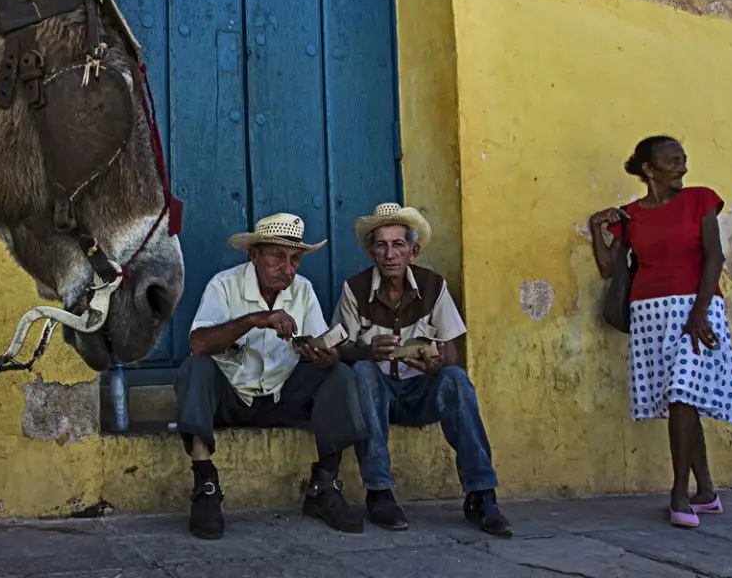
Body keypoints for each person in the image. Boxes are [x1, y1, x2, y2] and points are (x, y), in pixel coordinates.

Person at [174, 212, 367, 540]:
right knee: (195, 368)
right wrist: (254, 319)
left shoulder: (303, 291)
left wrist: (324, 355)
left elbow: (323, 344)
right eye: (278, 257)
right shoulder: (225, 285)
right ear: (254, 254)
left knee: (339, 375)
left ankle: (324, 484)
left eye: (295, 260)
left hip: (282, 397)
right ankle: (205, 484)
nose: (288, 269)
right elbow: (198, 343)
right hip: (232, 397)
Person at [333, 203, 512, 537]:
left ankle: (481, 495)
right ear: (371, 251)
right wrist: (368, 351)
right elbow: (337, 349)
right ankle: (379, 492)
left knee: (456, 379)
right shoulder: (354, 290)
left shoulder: (434, 287)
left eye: (398, 244)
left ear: (412, 252)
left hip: (421, 392)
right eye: (381, 245)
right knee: (362, 372)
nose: (390, 254)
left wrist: (438, 361)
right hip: (378, 394)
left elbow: (453, 350)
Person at [589, 135, 732, 529]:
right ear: (649, 170)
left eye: (683, 160)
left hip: (697, 308)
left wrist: (700, 312)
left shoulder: (701, 200)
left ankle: (677, 493)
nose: (682, 168)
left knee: (682, 393)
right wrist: (595, 228)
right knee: (680, 400)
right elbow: (608, 269)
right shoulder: (631, 216)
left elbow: (714, 256)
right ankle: (705, 492)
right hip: (649, 313)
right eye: (673, 162)